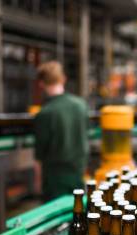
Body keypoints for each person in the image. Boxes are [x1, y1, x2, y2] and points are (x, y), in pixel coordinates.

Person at [33, 61, 89, 201]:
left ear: (41, 84)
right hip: (78, 173)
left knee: (56, 218)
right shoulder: (81, 106)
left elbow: (40, 155)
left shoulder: (44, 114)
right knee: (77, 213)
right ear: (63, 79)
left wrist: (38, 182)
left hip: (54, 180)